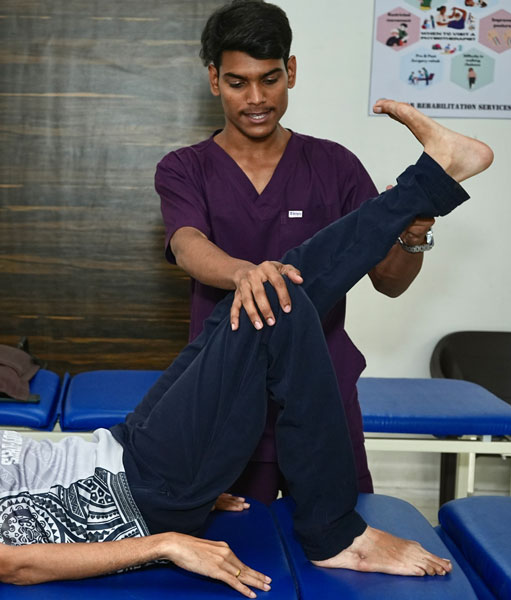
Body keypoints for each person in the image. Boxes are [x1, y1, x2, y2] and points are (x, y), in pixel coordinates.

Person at [0, 100, 493, 597]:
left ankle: (434, 179)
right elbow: (8, 561)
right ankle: (334, 535)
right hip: (139, 493)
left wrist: (198, 476)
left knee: (260, 293)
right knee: (279, 306)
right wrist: (167, 540)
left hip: (128, 453)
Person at [157, 0, 435, 502]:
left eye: (269, 79)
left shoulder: (335, 166)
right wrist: (245, 274)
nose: (256, 98)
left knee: (342, 531)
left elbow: (390, 281)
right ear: (215, 79)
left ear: (291, 72)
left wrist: (412, 238)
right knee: (233, 537)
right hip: (227, 395)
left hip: (322, 392)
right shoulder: (184, 168)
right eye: (238, 82)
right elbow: (186, 243)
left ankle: (447, 169)